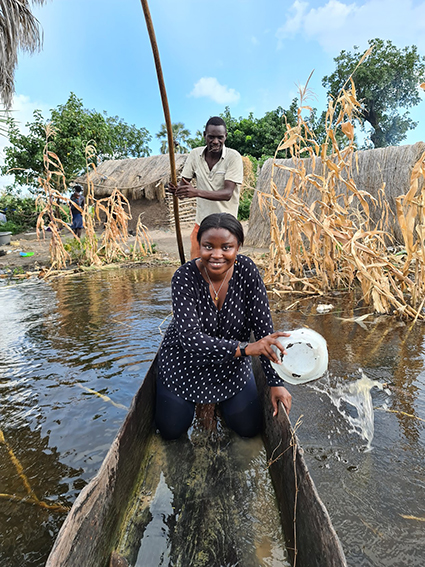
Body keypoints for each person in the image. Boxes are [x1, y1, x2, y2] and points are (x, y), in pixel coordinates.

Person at [155, 212, 292, 441]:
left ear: (238, 247)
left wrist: (275, 382)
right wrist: (248, 349)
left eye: (226, 247)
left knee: (248, 428)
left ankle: (218, 405)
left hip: (230, 365)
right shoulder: (184, 277)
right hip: (185, 363)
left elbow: (264, 331)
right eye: (208, 246)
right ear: (199, 245)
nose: (216, 255)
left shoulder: (247, 271)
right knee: (171, 430)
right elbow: (190, 339)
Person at [167, 117, 243, 259]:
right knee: (197, 268)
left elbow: (227, 193)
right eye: (211, 137)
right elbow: (184, 187)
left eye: (220, 137)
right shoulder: (195, 155)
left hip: (227, 226)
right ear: (204, 135)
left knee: (223, 269)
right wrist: (178, 191)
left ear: (225, 136)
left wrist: (195, 192)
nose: (215, 141)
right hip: (202, 224)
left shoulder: (233, 157)